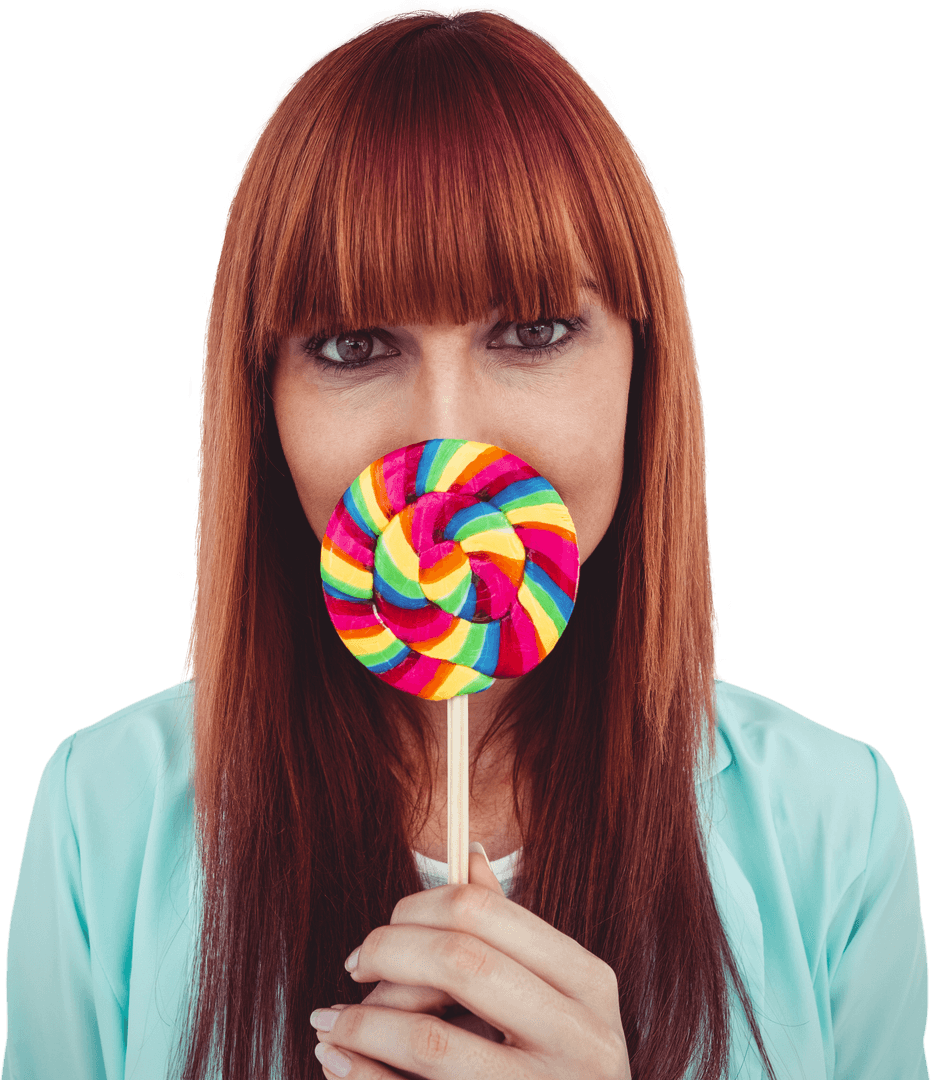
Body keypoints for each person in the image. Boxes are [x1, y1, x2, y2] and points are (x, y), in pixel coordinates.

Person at [3, 5, 927, 1079]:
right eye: (352, 344)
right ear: (264, 406)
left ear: (644, 370)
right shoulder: (102, 815)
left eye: (531, 331)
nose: (447, 437)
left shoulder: (833, 826)